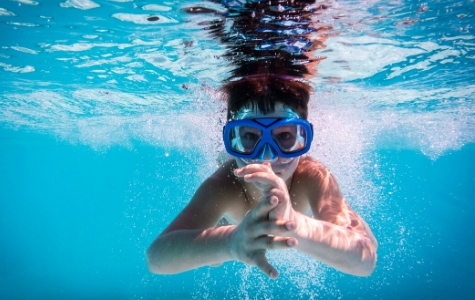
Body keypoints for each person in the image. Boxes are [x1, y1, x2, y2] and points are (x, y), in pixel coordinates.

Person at [146, 75, 377, 279]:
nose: (267, 157)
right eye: (249, 136)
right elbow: (156, 258)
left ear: (303, 140)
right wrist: (228, 242)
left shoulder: (312, 176)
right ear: (232, 139)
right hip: (232, 221)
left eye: (284, 136)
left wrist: (295, 224)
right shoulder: (225, 184)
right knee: (213, 259)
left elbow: (366, 259)